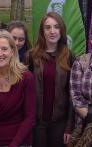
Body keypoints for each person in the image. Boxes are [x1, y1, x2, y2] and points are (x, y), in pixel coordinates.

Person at [26, 12, 74, 147]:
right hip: (36, 123)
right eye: (48, 27)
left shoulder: (69, 56)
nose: (52, 31)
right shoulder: (31, 56)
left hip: (60, 123)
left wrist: (69, 127)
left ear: (62, 30)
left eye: (56, 27)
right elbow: (24, 92)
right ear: (42, 31)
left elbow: (72, 95)